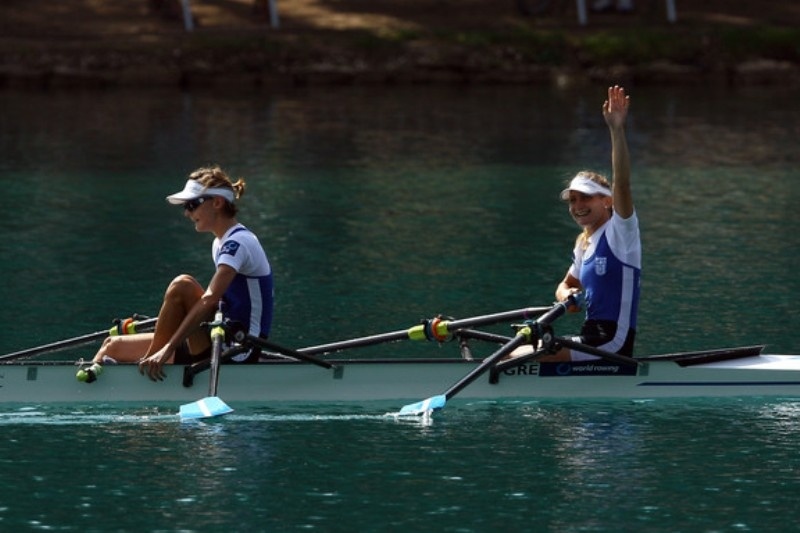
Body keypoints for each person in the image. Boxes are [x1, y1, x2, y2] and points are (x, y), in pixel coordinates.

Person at [84, 165, 274, 381]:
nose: (187, 212)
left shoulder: (239, 243)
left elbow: (209, 300)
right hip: (217, 338)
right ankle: (92, 378)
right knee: (112, 346)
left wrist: (168, 348)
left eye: (192, 205)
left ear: (218, 203)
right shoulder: (219, 243)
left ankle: (148, 365)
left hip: (239, 349)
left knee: (182, 285)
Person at [543, 85, 640, 362]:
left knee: (526, 354)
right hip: (589, 337)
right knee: (520, 349)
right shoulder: (584, 243)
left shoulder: (621, 232)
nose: (577, 207)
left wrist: (616, 130)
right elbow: (565, 283)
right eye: (572, 200)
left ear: (607, 201)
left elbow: (622, 181)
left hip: (612, 342)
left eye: (584, 198)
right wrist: (566, 295)